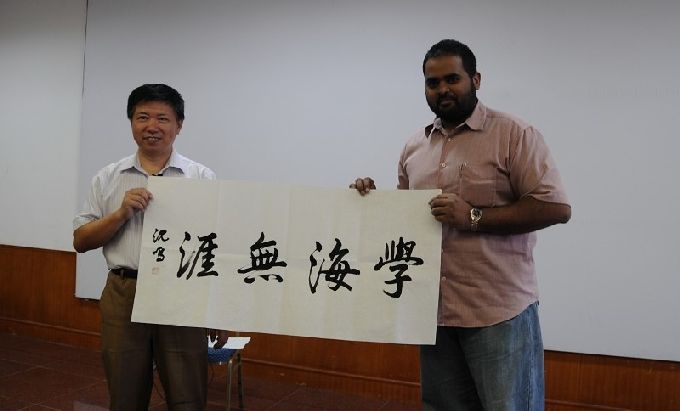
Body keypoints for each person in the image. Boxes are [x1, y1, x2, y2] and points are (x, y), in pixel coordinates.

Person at [352, 39, 571, 410]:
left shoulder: (514, 134)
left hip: (497, 313)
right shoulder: (414, 147)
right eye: (433, 82)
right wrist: (369, 202)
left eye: (452, 79)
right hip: (434, 313)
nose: (443, 89)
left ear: (476, 79)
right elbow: (406, 223)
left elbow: (555, 208)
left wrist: (473, 216)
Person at [73, 84, 227, 410]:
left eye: (162, 118)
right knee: (125, 394)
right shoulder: (108, 177)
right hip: (124, 291)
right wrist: (120, 214)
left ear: (179, 125)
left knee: (188, 395)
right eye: (142, 117)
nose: (152, 126)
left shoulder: (201, 177)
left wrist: (217, 310)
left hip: (182, 292)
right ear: (131, 122)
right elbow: (81, 241)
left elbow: (218, 247)